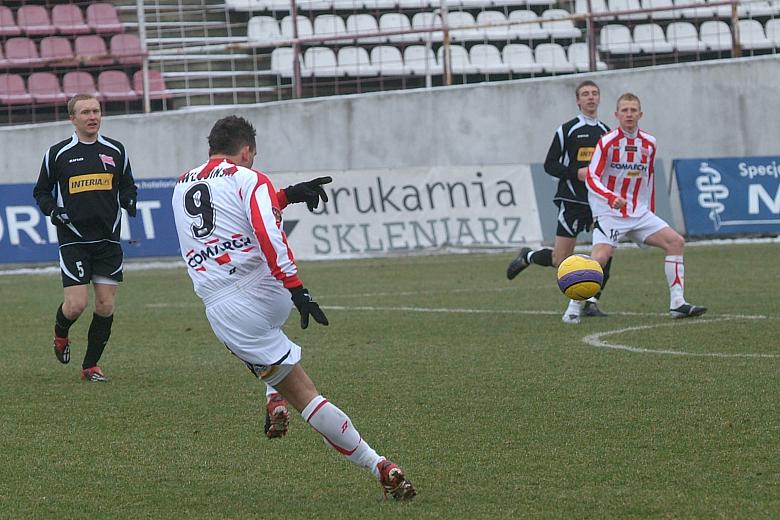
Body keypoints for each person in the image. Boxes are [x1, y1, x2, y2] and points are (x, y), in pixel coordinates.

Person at [171, 116, 416, 500]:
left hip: (229, 305)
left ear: (211, 148)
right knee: (272, 349)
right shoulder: (250, 178)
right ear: (247, 150)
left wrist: (297, 286)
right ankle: (273, 397)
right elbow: (264, 226)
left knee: (303, 393)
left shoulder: (180, 185)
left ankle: (379, 465)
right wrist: (293, 283)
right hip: (269, 292)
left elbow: (234, 221)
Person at [33, 94, 137, 382]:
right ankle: (60, 333)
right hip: (74, 239)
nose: (92, 116)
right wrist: (53, 211)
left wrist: (130, 199)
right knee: (76, 305)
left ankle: (90, 366)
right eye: (85, 112)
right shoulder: (58, 153)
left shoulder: (116, 150)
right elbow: (41, 192)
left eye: (96, 111)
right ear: (72, 118)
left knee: (105, 305)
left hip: (107, 240)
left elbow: (127, 185)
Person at [585, 93, 706, 319]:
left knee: (675, 242)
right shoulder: (607, 141)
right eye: (624, 110)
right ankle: (573, 308)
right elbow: (592, 177)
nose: (629, 114)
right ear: (616, 115)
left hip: (638, 212)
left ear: (641, 114)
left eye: (633, 110)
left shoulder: (650, 143)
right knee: (601, 257)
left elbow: (648, 179)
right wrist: (610, 197)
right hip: (610, 211)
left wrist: (649, 210)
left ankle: (678, 303)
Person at [506, 80, 614, 324]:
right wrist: (576, 174)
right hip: (572, 199)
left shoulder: (607, 132)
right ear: (578, 100)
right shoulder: (567, 130)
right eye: (585, 94)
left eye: (595, 93)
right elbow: (550, 164)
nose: (590, 98)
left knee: (606, 250)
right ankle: (529, 256)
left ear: (600, 98)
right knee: (560, 260)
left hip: (598, 202)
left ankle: (592, 301)